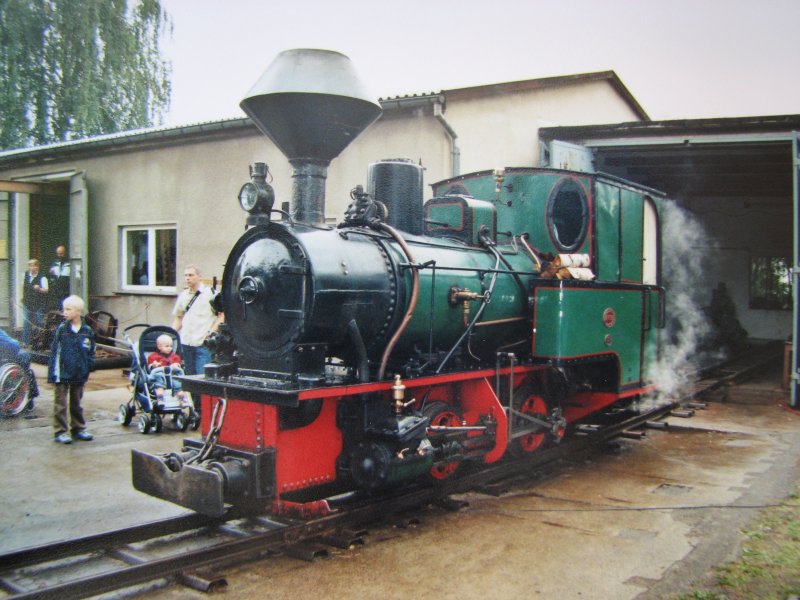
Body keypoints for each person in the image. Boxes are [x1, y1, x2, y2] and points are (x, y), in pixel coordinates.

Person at [48, 295, 95, 444]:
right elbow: (55, 352)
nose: (65, 312)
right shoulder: (62, 330)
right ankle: (60, 431)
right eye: (64, 309)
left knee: (77, 402)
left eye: (68, 309)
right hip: (62, 373)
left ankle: (78, 428)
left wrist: (87, 367)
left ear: (78, 311)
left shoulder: (87, 331)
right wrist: (53, 374)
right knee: (60, 404)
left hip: (79, 373)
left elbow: (91, 351)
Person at [171, 264, 223, 377]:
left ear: (199, 276)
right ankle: (193, 396)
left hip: (202, 343)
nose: (187, 278)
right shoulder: (183, 295)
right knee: (189, 377)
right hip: (186, 343)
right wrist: (170, 335)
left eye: (191, 275)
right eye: (185, 275)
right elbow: (179, 317)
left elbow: (222, 315)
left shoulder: (211, 293)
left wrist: (211, 333)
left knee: (202, 377)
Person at [0, 328, 40, 412]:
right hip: (11, 354)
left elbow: (13, 345)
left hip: (13, 356)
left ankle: (29, 398)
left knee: (25, 370)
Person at [147, 333, 186, 400]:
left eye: (171, 346)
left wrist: (176, 365)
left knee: (177, 381)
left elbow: (179, 365)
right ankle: (160, 396)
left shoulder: (175, 357)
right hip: (160, 375)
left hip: (172, 375)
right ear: (159, 347)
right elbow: (150, 368)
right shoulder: (153, 356)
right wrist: (154, 365)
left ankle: (181, 399)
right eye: (167, 346)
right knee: (158, 378)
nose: (170, 348)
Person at [21, 259, 49, 347]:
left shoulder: (42, 277)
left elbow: (46, 290)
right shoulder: (25, 275)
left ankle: (36, 342)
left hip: (38, 303)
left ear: (37, 267)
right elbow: (23, 286)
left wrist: (39, 289)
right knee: (26, 321)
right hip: (27, 302)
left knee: (38, 322)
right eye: (31, 266)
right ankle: (26, 342)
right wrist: (22, 297)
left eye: (34, 266)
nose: (32, 268)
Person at [48, 245, 71, 309]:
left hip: (67, 291)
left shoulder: (70, 263)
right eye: (58, 254)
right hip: (57, 291)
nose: (59, 255)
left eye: (61, 253)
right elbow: (50, 275)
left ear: (65, 253)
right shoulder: (55, 263)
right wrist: (51, 272)